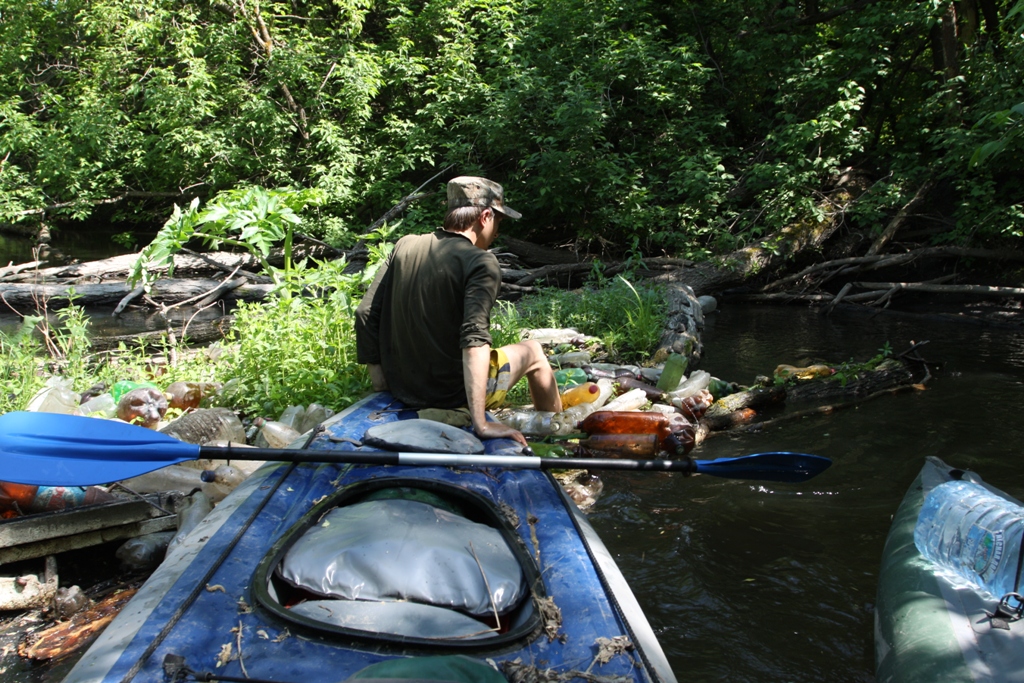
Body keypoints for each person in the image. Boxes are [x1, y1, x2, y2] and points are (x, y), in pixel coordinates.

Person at [355, 176, 562, 446]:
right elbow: (474, 340)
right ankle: (559, 434)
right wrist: (482, 423)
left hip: (402, 388)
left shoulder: (405, 245)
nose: (497, 232)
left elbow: (365, 312)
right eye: (498, 222)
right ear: (485, 216)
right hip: (451, 395)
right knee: (533, 351)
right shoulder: (481, 262)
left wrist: (381, 383)